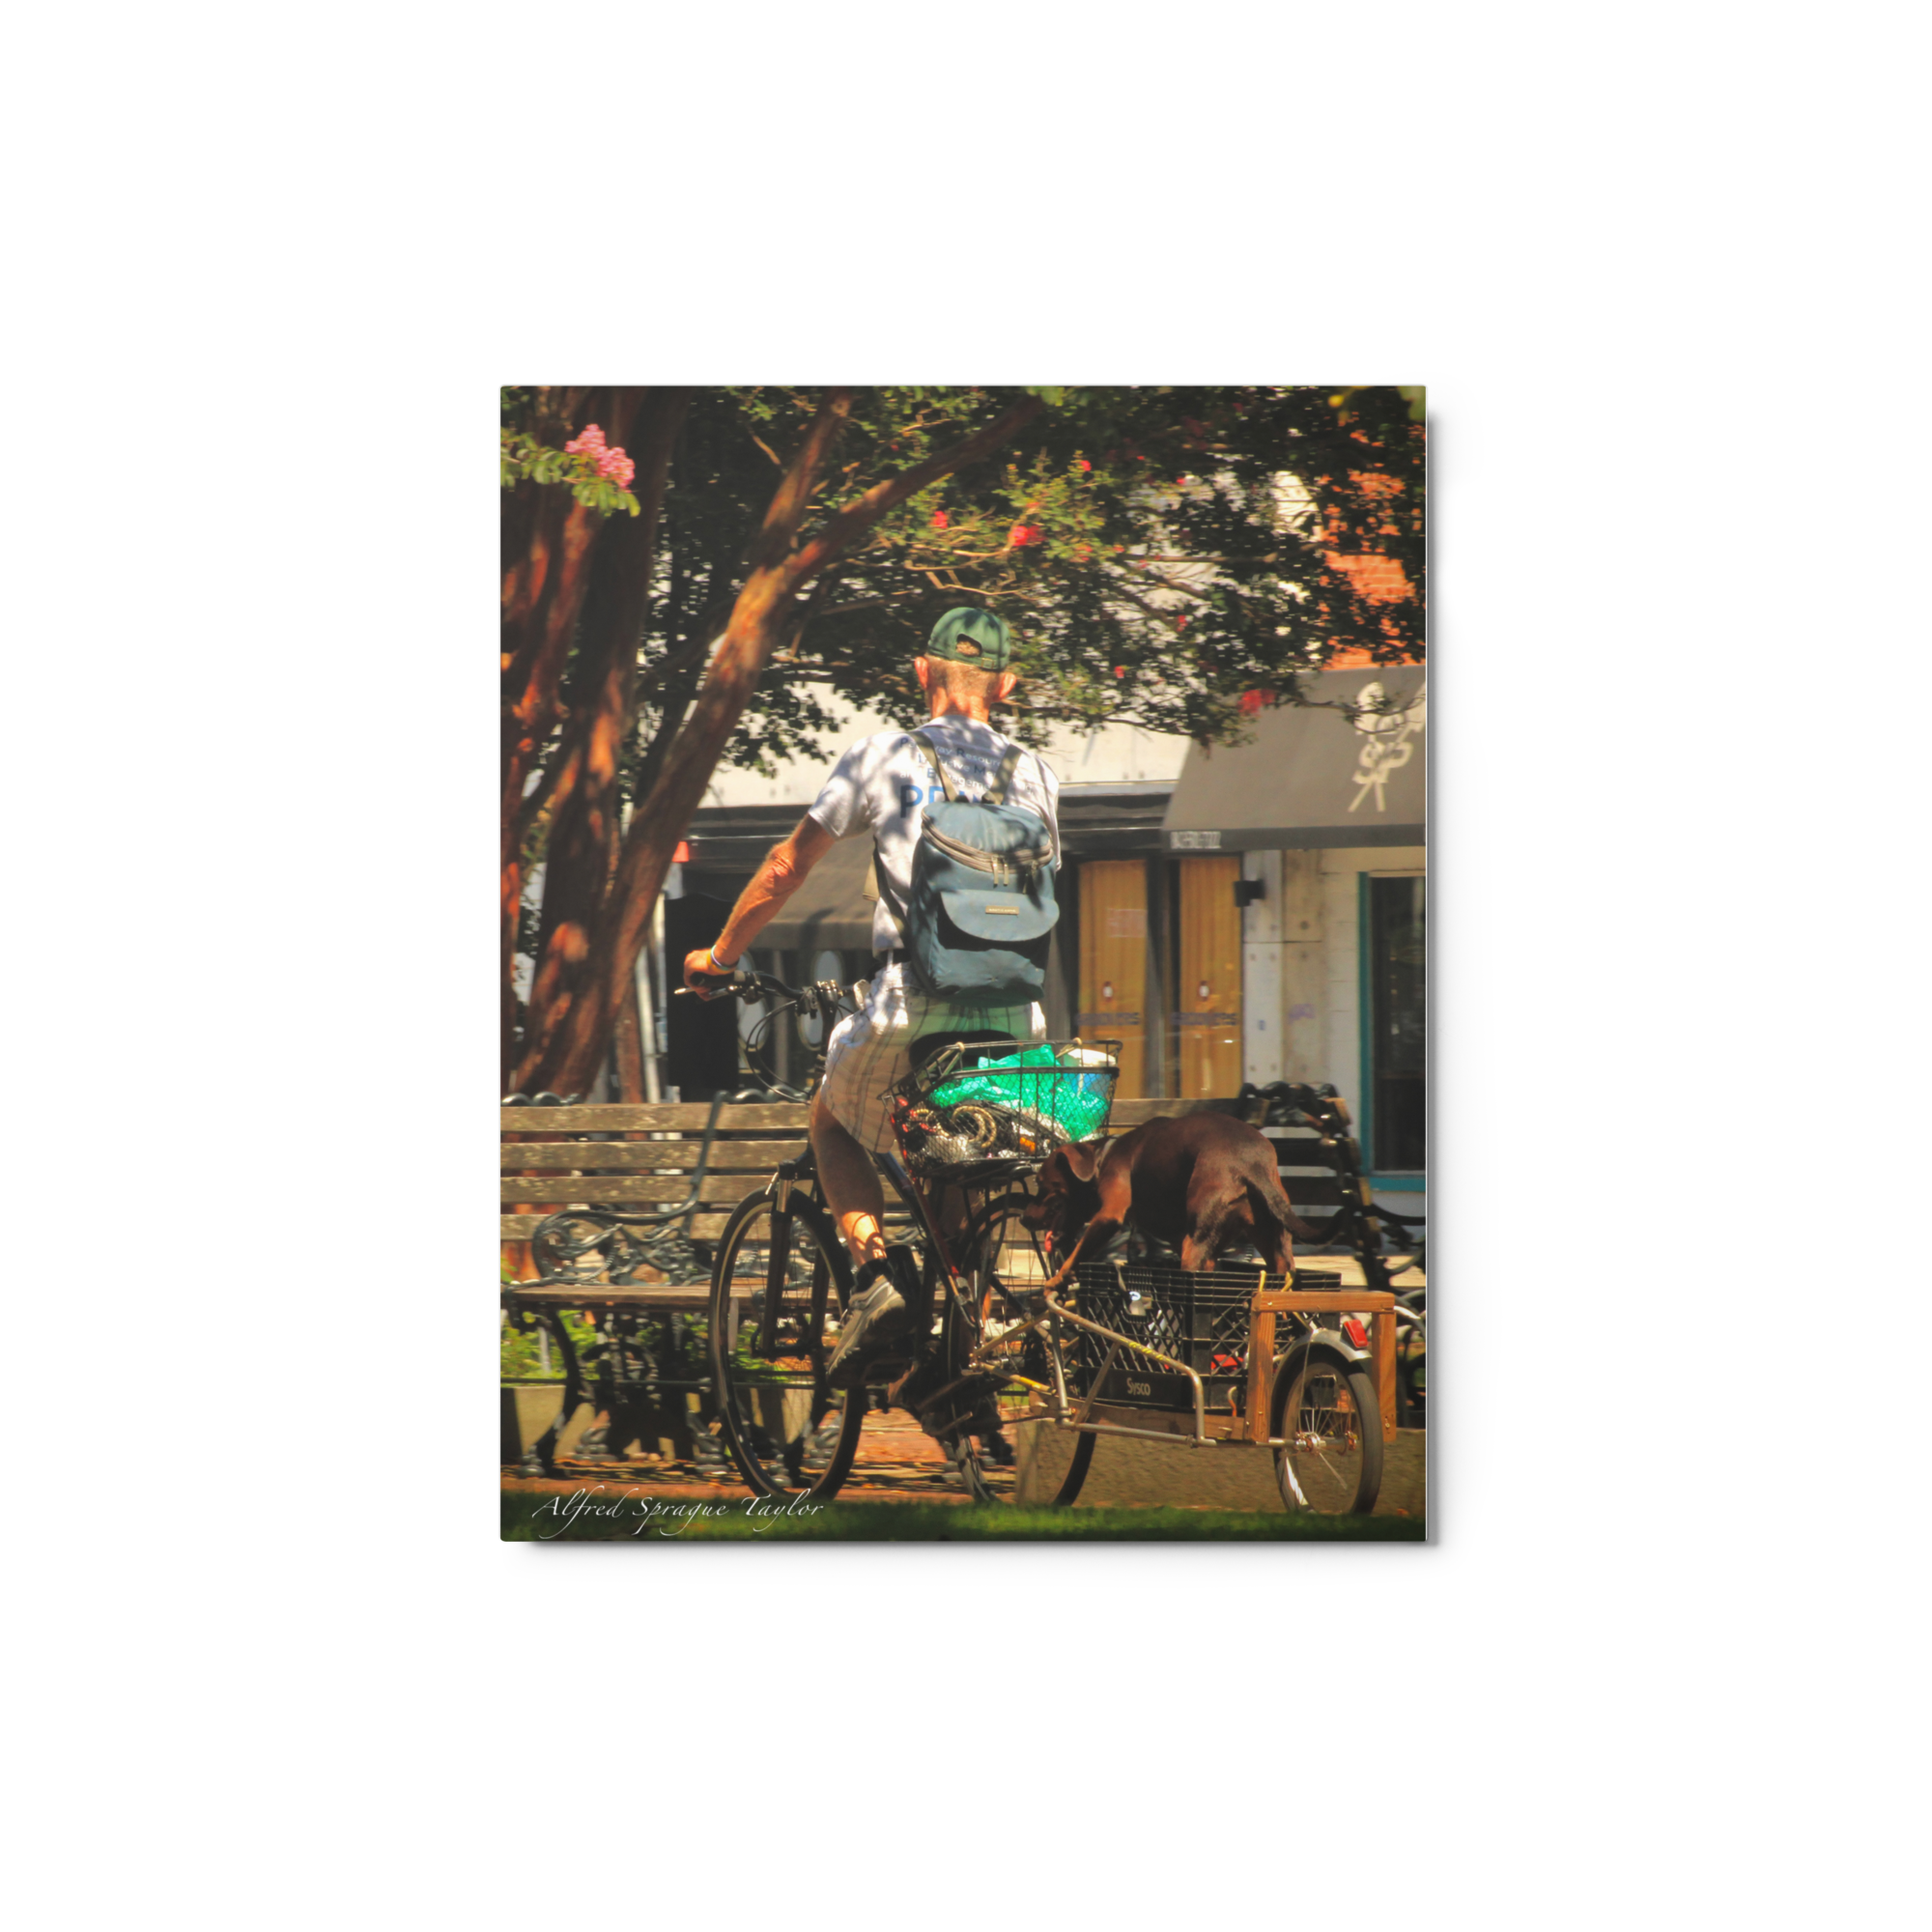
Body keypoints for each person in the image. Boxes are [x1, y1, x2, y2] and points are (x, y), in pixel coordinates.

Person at [682, 607, 1062, 1400]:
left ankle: (875, 1280)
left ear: (921, 673)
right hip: (1018, 1012)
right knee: (955, 1162)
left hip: (912, 999)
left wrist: (719, 957)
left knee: (833, 1120)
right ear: (1008, 684)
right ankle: (965, 1351)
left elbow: (787, 867)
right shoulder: (1037, 773)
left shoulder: (884, 756)